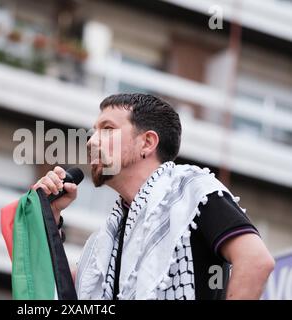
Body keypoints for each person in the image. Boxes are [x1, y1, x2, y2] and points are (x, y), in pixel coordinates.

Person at [32, 93, 275, 300]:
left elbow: (255, 261)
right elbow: (57, 291)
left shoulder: (192, 190)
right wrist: (47, 218)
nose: (92, 141)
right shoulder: (105, 240)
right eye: (94, 131)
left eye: (107, 130)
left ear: (147, 143)